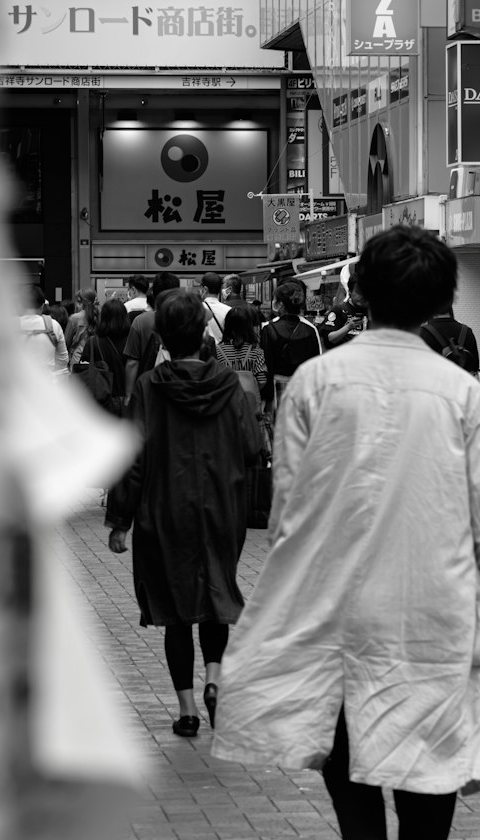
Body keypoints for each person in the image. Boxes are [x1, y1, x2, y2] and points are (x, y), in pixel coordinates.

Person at [213, 227, 480, 840]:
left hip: (340, 600)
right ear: (443, 303)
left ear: (359, 295)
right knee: (432, 772)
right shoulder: (460, 392)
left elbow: (287, 507)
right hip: (437, 605)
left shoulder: (317, 382)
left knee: (346, 744)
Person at [105, 291, 264, 737]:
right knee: (215, 595)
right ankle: (215, 678)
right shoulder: (230, 384)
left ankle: (188, 710)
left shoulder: (149, 388)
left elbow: (131, 456)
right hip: (221, 508)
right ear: (203, 334)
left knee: (175, 611)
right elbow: (253, 447)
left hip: (164, 510)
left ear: (163, 338)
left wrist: (120, 519)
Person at [260, 278, 322, 411]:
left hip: (277, 389)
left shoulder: (269, 329)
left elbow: (266, 366)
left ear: (280, 304)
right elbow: (316, 366)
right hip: (304, 390)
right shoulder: (311, 329)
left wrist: (266, 397)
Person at [122, 271, 181, 406]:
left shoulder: (141, 321)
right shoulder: (188, 319)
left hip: (148, 391)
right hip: (181, 389)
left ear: (154, 294)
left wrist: (129, 396)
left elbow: (132, 362)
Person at [419, 289, 480, 376]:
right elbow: (474, 367)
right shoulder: (466, 331)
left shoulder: (423, 332)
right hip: (461, 386)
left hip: (433, 385)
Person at [18, 285, 68, 375]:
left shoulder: (9, 326)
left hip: (17, 384)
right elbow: (63, 361)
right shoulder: (53, 325)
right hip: (47, 383)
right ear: (42, 306)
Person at [65, 288, 98, 369]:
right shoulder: (99, 315)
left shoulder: (74, 318)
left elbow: (66, 343)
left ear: (80, 302)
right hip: (97, 360)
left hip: (78, 361)